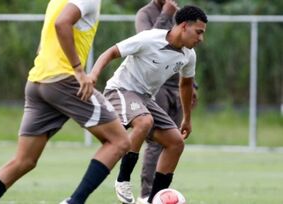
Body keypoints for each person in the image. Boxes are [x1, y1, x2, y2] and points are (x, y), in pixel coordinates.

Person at [0, 0, 131, 204]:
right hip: (64, 81)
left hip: (38, 81)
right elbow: (61, 23)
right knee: (119, 141)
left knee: (24, 161)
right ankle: (75, 201)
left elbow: (45, 41)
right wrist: (78, 70)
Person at [89, 5, 207, 204]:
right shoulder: (149, 38)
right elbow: (110, 52)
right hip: (120, 90)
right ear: (184, 26)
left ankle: (154, 200)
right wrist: (92, 75)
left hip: (145, 98)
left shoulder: (189, 55)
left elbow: (186, 85)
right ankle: (123, 179)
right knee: (144, 122)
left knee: (176, 143)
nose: (201, 38)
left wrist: (187, 118)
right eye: (199, 32)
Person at [134, 1, 198, 203]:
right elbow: (147, 44)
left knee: (175, 140)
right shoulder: (145, 14)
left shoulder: (181, 16)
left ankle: (160, 194)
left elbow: (185, 50)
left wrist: (191, 85)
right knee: (156, 142)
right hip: (155, 86)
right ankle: (146, 194)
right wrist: (165, 15)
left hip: (176, 86)